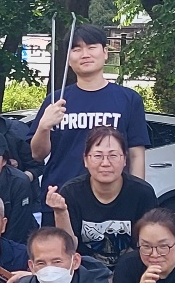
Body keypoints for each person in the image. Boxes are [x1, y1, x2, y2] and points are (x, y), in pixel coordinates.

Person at [31, 23, 150, 189]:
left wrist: (138, 194)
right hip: (60, 193)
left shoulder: (128, 99)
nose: (85, 54)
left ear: (105, 52)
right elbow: (37, 155)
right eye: (76, 49)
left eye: (92, 47)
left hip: (112, 196)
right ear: (68, 59)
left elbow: (136, 154)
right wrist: (43, 127)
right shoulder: (56, 101)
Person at [44, 126, 157, 269]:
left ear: (124, 160)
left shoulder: (142, 193)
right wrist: (60, 212)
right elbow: (68, 248)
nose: (105, 163)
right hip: (84, 271)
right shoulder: (71, 192)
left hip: (131, 270)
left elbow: (149, 244)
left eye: (113, 156)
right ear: (85, 159)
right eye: (98, 156)